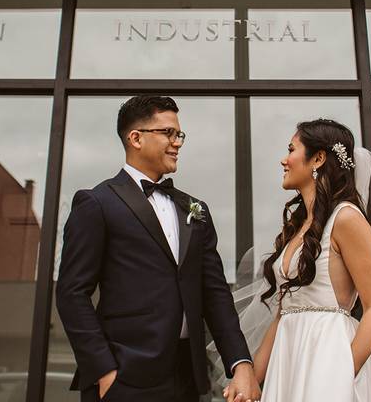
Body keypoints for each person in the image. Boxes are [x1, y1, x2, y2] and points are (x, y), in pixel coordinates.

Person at [56, 95, 262, 402]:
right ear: (135, 138)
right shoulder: (97, 203)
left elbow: (215, 293)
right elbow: (72, 293)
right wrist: (104, 370)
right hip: (123, 377)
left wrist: (241, 363)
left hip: (188, 377)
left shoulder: (194, 209)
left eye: (179, 134)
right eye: (168, 133)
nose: (177, 142)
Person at [235, 118, 371, 402]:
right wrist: (252, 378)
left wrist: (343, 372)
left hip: (329, 355)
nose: (284, 159)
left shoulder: (346, 218)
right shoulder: (298, 228)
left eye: (291, 149)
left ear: (317, 158)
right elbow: (283, 314)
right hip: (289, 353)